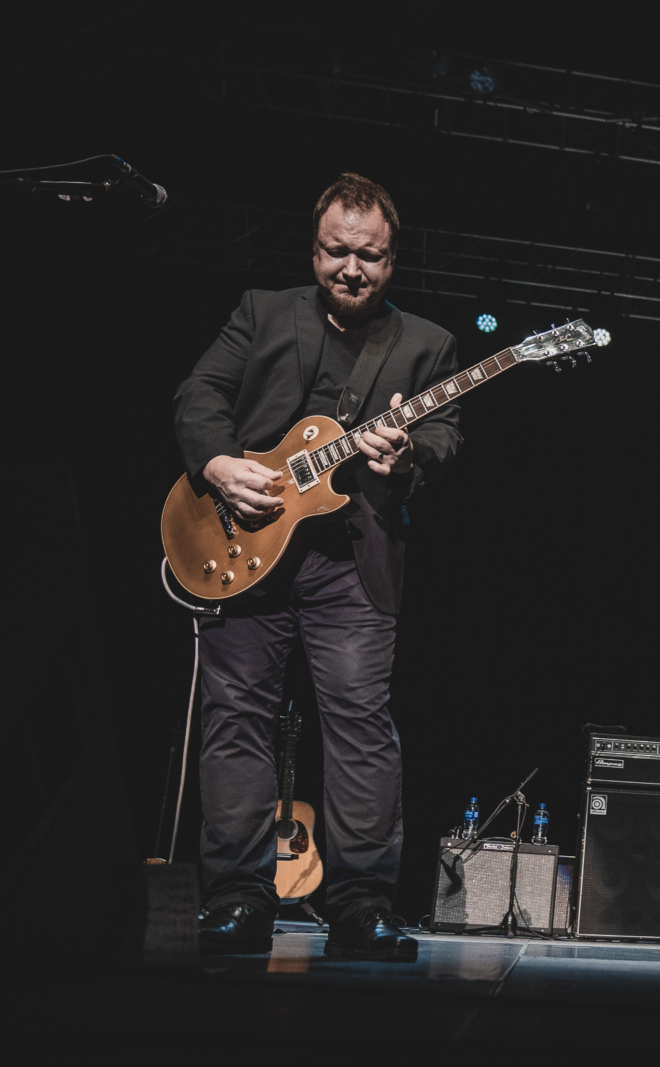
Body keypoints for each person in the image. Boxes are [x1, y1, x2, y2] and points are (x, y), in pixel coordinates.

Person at [173, 173, 463, 959]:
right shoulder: (263, 311)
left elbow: (445, 435)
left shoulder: (425, 344)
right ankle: (237, 896)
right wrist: (220, 466)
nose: (350, 269)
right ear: (314, 249)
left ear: (392, 260)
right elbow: (199, 393)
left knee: (362, 730)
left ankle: (361, 904)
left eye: (368, 256)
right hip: (246, 546)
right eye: (336, 251)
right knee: (234, 718)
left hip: (353, 561)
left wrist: (404, 455)